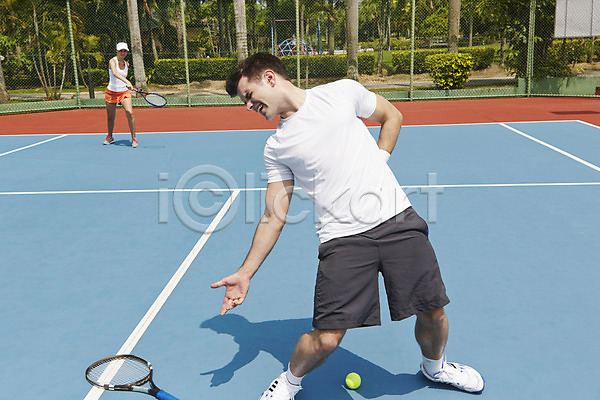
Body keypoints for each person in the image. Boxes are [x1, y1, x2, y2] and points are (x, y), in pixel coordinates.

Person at [213, 53, 484, 399]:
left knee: (433, 310)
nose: (249, 106)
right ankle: (289, 382)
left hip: (397, 220)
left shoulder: (342, 92)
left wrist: (379, 160)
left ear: (268, 78)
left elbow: (392, 116)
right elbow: (273, 214)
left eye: (248, 96)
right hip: (342, 239)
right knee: (327, 339)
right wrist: (246, 272)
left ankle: (436, 367)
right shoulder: (277, 146)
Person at [103, 42, 138, 148]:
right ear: (117, 51)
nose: (123, 53)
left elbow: (121, 78)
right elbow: (114, 73)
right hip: (111, 92)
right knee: (110, 117)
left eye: (125, 51)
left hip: (124, 92)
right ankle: (110, 136)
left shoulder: (126, 64)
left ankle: (134, 138)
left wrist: (126, 85)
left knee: (129, 113)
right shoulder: (112, 61)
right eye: (120, 51)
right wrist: (127, 81)